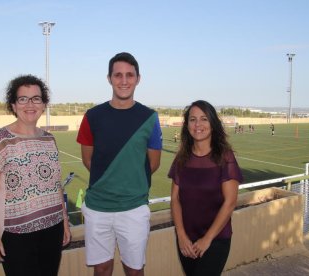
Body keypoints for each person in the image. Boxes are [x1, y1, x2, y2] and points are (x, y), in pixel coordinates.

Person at [77, 52, 162, 276]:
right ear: (109, 78)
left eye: (129, 75)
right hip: (98, 208)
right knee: (102, 269)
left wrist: (128, 183)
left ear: (138, 78)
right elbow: (88, 160)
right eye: (118, 75)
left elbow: (153, 163)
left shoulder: (150, 117)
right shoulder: (92, 116)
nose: (124, 81)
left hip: (134, 208)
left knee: (134, 270)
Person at [0, 75, 71, 276]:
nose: (30, 104)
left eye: (36, 98)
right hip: (16, 235)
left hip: (53, 227)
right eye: (23, 99)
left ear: (43, 104)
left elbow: (56, 184)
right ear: (13, 105)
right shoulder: (0, 139)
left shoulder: (49, 139)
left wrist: (64, 221)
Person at [168, 100, 243, 276]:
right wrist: (181, 236)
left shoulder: (225, 157)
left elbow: (230, 202)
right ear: (187, 125)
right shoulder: (182, 158)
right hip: (186, 240)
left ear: (213, 123)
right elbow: (175, 199)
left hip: (216, 238)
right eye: (193, 119)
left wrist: (207, 239)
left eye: (204, 119)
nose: (198, 124)